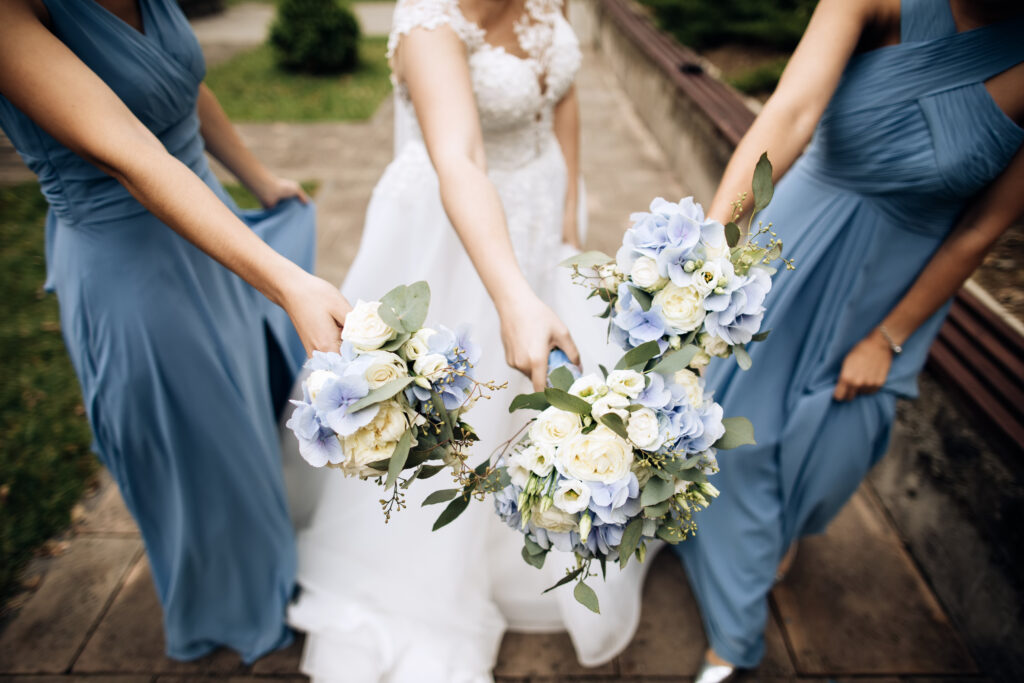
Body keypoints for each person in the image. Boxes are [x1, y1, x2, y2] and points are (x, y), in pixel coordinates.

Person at [284, 0, 651, 679]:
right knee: (455, 406)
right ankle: (423, 571)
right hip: (449, 230)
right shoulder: (428, 21)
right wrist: (513, 293)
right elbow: (461, 157)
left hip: (541, 209)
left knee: (527, 399)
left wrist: (567, 215)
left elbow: (560, 94)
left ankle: (518, 530)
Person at [670, 0, 1024, 680]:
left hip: (898, 283)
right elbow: (789, 117)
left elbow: (983, 228)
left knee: (833, 448)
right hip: (797, 238)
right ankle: (733, 635)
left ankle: (771, 539)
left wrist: (888, 336)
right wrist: (712, 249)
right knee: (736, 435)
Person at [0, 0, 351, 663]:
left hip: (212, 230)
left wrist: (258, 179)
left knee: (245, 422)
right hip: (129, 265)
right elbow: (130, 153)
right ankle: (229, 605)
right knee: (195, 446)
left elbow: (181, 85)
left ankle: (267, 565)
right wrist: (286, 282)